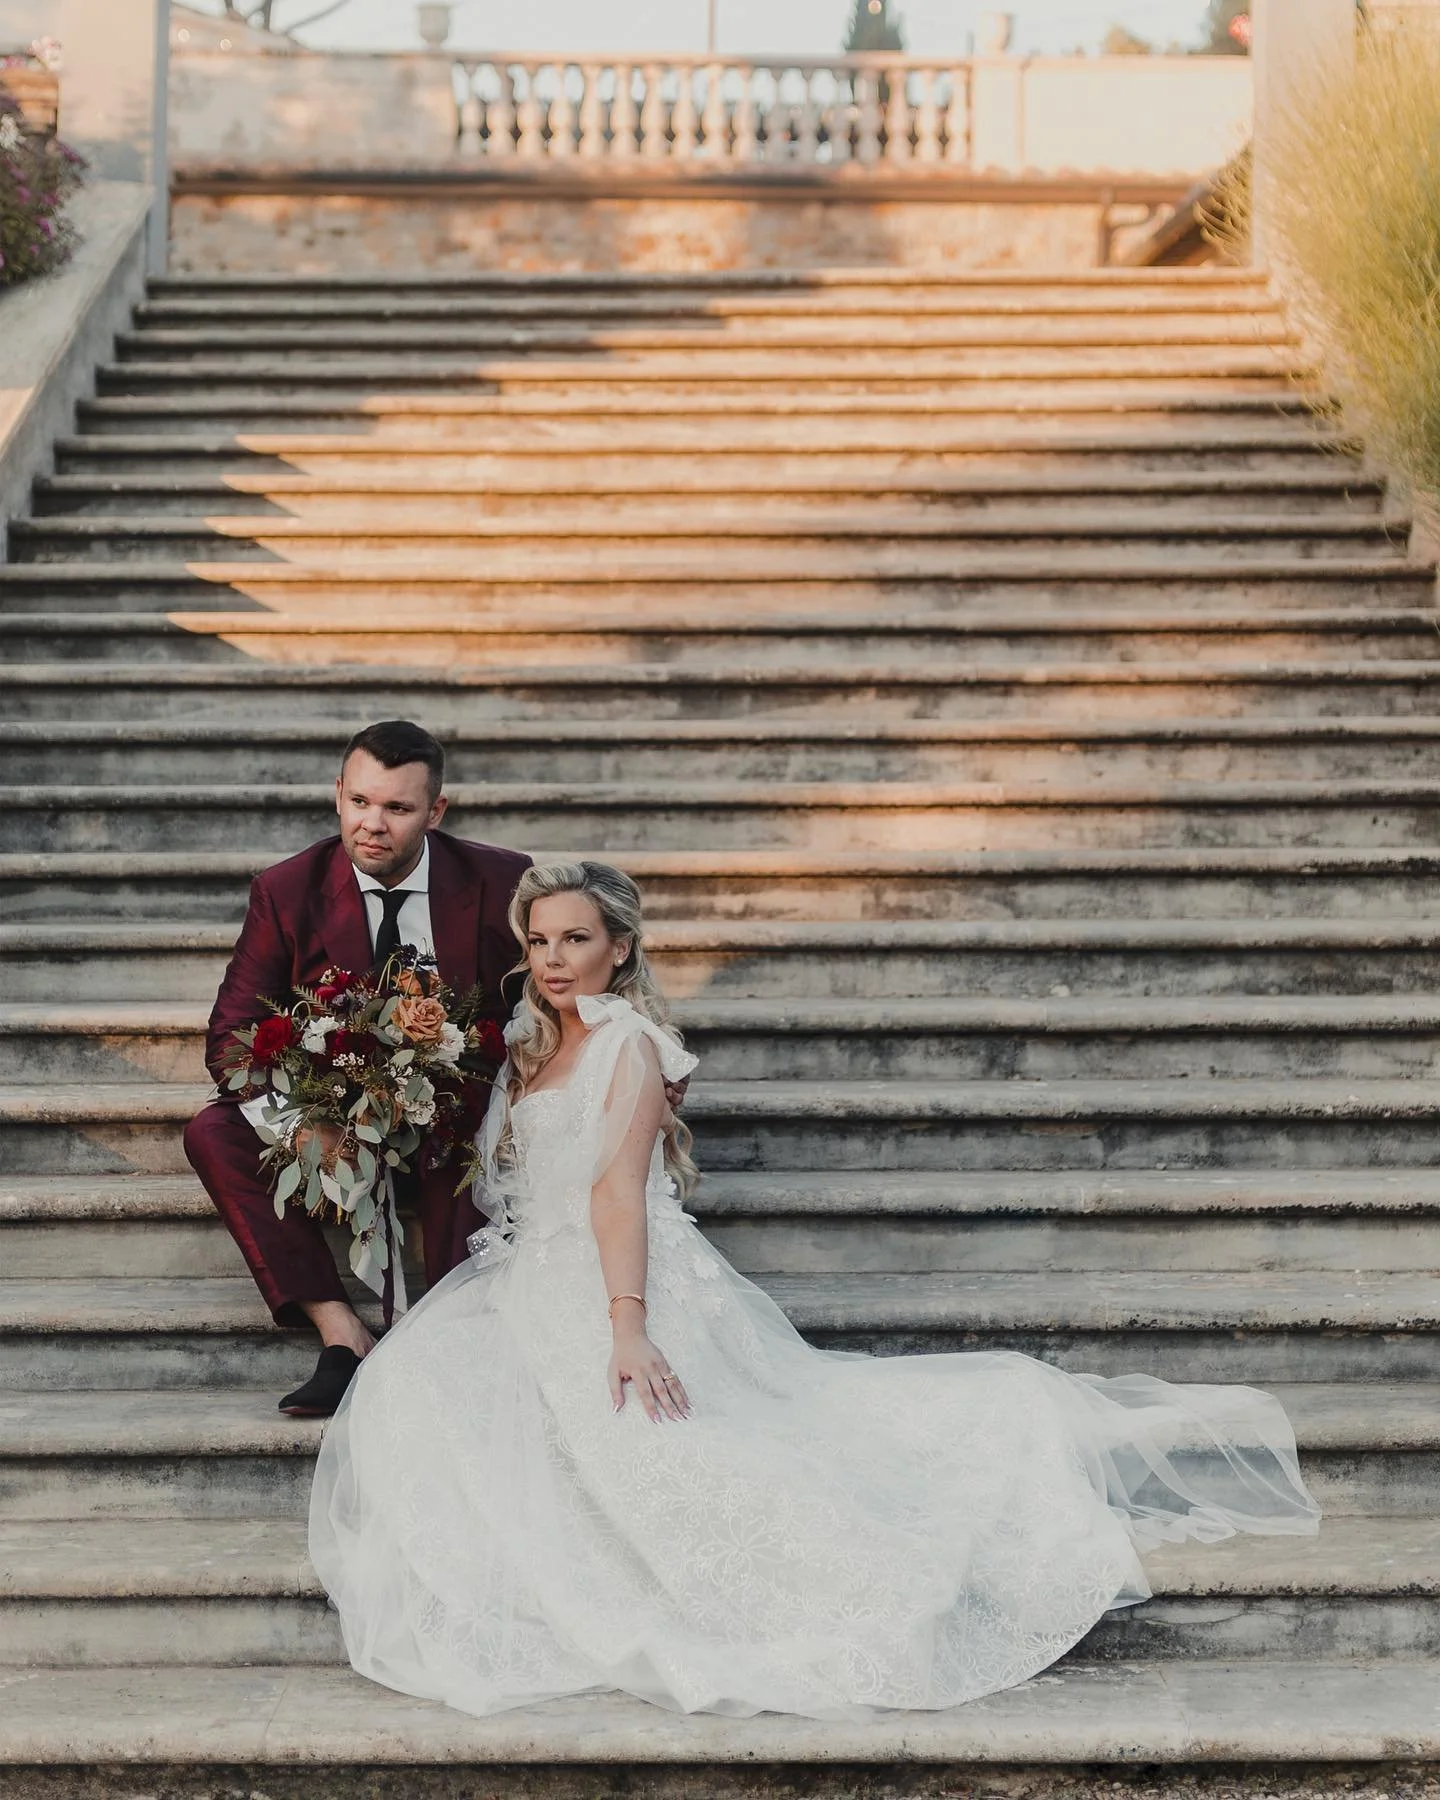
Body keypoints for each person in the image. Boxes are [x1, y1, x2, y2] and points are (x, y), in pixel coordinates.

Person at [309, 858, 1321, 1720]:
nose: (557, 959)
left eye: (578, 939)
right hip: (526, 1280)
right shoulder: (533, 1050)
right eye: (540, 942)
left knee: (666, 1460)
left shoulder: (630, 1045)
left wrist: (628, 1327)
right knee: (417, 1390)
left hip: (619, 1289)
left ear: (620, 945)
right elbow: (512, 1190)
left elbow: (617, 1195)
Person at [184, 720, 531, 1418]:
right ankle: (342, 1334)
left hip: (455, 1107)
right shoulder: (287, 891)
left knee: (467, 1115)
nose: (372, 825)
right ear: (338, 794)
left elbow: (559, 993)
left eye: (398, 809)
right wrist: (309, 1119)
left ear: (435, 813)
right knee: (211, 1132)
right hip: (333, 1106)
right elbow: (229, 1037)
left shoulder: (502, 881)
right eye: (360, 802)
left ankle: (442, 1329)